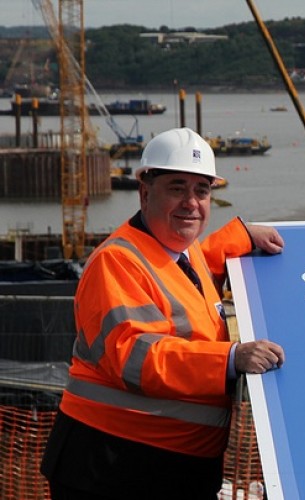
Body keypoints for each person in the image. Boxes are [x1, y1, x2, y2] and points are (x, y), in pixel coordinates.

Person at [41, 127, 286, 499]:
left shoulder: (183, 255)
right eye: (177, 188)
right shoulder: (117, 262)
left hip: (172, 466)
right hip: (113, 465)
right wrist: (232, 358)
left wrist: (241, 237)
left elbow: (188, 277)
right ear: (144, 192)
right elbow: (135, 355)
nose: (191, 202)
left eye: (201, 191)